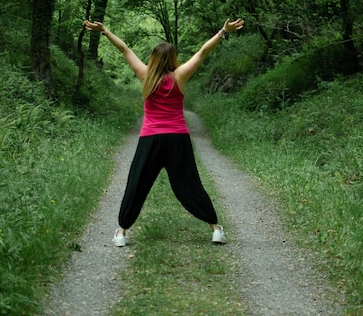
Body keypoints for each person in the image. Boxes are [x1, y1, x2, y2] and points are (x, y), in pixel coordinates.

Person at [84, 17, 244, 247]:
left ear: (153, 59)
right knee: (189, 182)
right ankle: (215, 229)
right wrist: (222, 32)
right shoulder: (180, 75)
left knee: (137, 183)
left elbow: (124, 49)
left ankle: (121, 232)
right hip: (177, 138)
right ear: (173, 58)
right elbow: (203, 52)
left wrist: (104, 30)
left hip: (150, 138)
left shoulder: (145, 74)